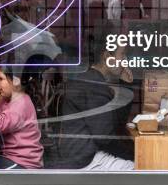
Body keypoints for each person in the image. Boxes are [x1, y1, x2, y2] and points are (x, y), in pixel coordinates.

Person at [52, 27, 134, 170]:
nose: (125, 60)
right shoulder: (94, 86)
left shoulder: (92, 80)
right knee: (140, 168)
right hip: (85, 159)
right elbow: (107, 137)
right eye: (123, 54)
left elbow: (114, 126)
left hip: (82, 154)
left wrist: (126, 85)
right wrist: (134, 155)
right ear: (107, 57)